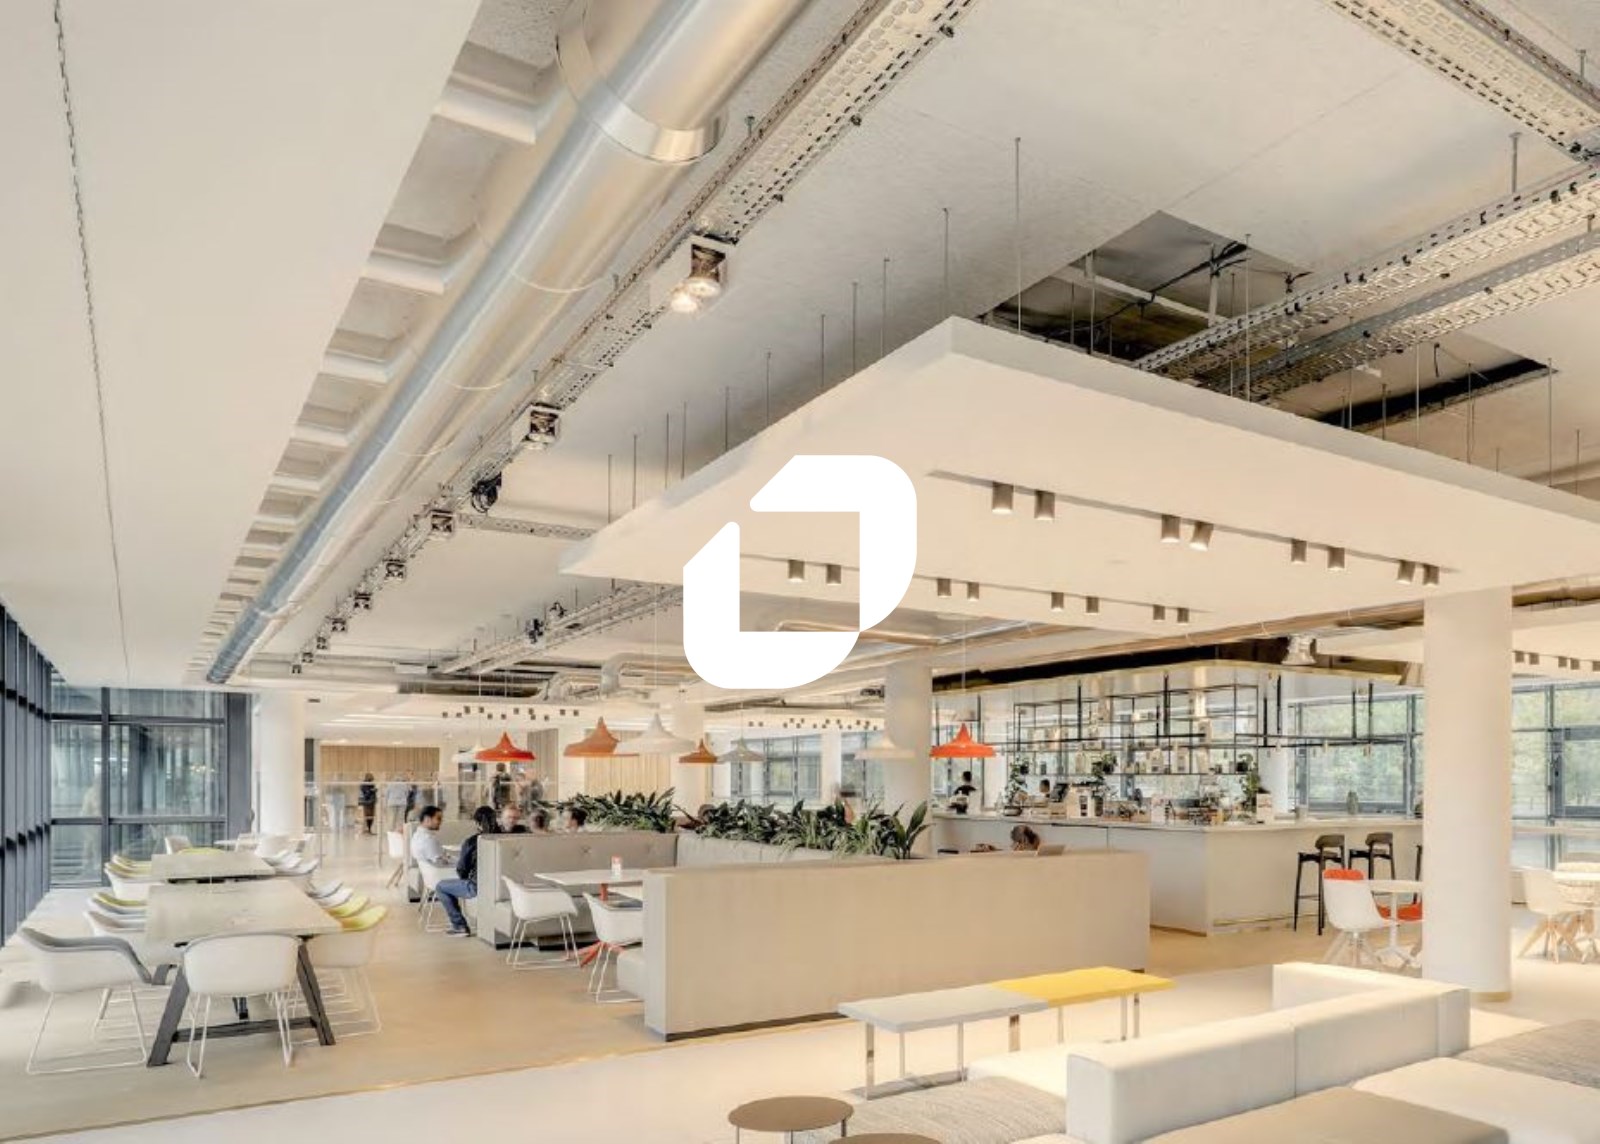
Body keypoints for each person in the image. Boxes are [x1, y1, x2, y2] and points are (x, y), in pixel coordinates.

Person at [437, 806, 498, 937]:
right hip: (501, 887)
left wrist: (466, 878)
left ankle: (459, 926)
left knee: (441, 886)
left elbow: (462, 870)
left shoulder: (471, 842)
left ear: (476, 823)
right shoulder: (505, 838)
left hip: (477, 886)